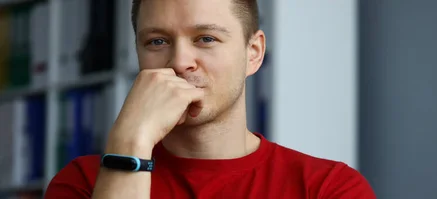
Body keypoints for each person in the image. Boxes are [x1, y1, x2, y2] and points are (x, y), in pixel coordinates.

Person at [44, 0, 375, 198]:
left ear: (253, 53)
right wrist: (130, 144)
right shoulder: (85, 183)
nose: (179, 61)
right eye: (157, 42)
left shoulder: (328, 188)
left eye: (205, 38)